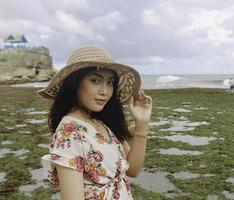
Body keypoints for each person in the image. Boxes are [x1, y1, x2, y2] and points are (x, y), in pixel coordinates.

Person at [37, 45, 152, 200]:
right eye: (95, 80)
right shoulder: (70, 132)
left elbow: (133, 170)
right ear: (75, 83)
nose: (105, 91)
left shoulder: (103, 122)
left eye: (110, 82)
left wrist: (142, 123)